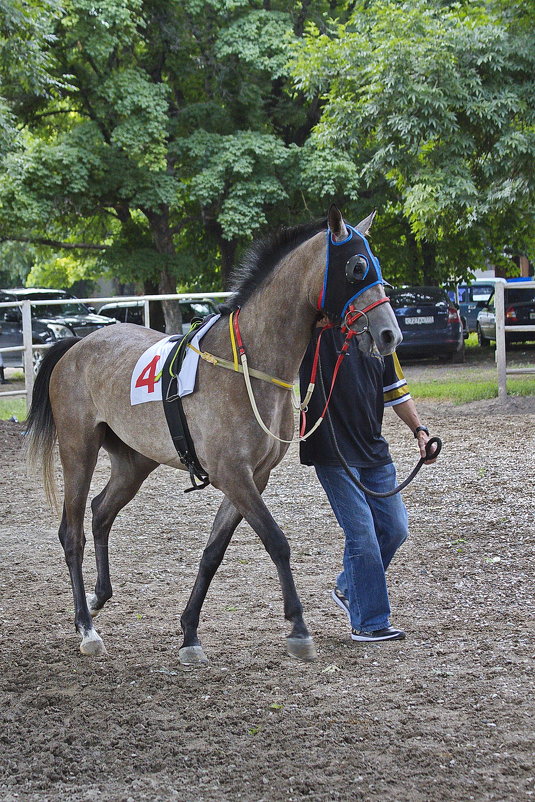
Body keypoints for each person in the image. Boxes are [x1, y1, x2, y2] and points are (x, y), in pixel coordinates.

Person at [299, 324, 438, 642]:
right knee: (362, 536)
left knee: (394, 529)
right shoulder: (314, 333)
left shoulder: (380, 335)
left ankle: (350, 587)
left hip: (374, 451)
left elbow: (397, 389)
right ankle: (370, 622)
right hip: (333, 452)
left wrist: (420, 431)